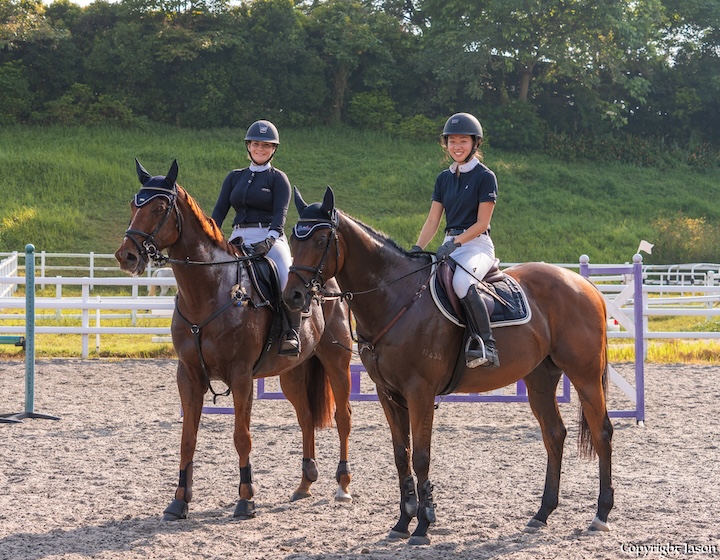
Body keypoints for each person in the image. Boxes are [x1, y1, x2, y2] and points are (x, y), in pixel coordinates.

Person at [411, 112, 500, 368]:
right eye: (452, 141)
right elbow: (432, 221)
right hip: (448, 247)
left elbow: (482, 223)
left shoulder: (485, 177)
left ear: (475, 144)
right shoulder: (443, 178)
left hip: (476, 245)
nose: (457, 147)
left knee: (462, 283)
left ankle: (486, 345)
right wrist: (418, 249)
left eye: (463, 141)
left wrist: (456, 242)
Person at [211, 119, 300, 357]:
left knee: (285, 276)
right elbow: (219, 212)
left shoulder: (278, 178)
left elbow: (280, 214)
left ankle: (291, 332)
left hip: (269, 237)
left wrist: (270, 239)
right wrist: (209, 236)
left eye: (267, 145)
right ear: (248, 146)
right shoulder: (234, 178)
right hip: (238, 237)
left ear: (274, 150)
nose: (261, 148)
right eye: (256, 144)